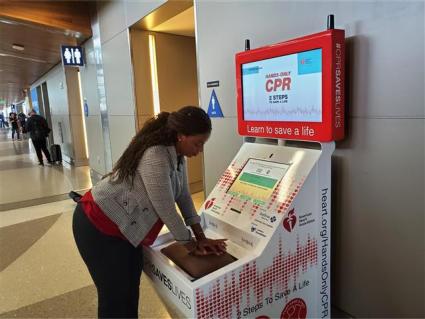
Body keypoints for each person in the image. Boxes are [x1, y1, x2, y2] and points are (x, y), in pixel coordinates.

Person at [72, 106, 227, 318]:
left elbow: (183, 196)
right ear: (181, 136)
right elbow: (164, 206)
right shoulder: (156, 154)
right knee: (115, 297)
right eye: (197, 143)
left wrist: (201, 236)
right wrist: (190, 245)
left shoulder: (178, 155)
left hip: (124, 229)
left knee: (128, 293)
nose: (199, 150)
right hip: (98, 225)